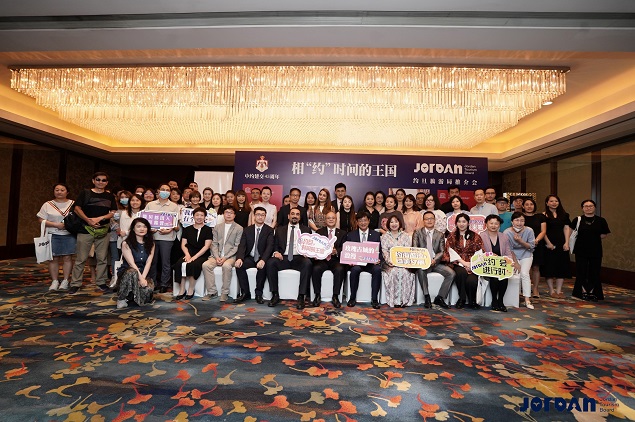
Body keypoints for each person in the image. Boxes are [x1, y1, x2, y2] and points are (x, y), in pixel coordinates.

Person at [68, 172, 118, 294]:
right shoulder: (85, 193)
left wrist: (99, 218)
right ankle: (75, 284)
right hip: (85, 229)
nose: (101, 182)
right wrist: (88, 220)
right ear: (93, 181)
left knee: (102, 259)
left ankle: (101, 282)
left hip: (103, 230)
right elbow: (77, 208)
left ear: (107, 182)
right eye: (98, 179)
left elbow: (113, 212)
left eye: (103, 180)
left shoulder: (109, 196)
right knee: (81, 258)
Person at [266, 208, 312, 308]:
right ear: (288, 216)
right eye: (292, 214)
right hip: (283, 257)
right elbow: (275, 245)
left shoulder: (306, 230)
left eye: (297, 214)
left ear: (300, 217)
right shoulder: (279, 230)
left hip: (299, 257)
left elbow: (310, 246)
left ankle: (301, 296)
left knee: (307, 263)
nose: (295, 216)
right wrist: (276, 252)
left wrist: (307, 252)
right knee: (270, 263)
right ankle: (275, 294)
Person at [37, 183, 76, 291]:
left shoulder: (73, 204)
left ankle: (65, 280)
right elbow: (40, 219)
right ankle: (54, 281)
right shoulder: (47, 204)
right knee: (53, 258)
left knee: (67, 257)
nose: (59, 192)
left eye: (62, 190)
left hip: (69, 234)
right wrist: (55, 225)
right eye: (57, 190)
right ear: (54, 192)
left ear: (67, 192)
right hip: (52, 234)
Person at [413, 211, 455, 309]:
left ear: (435, 220)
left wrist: (434, 260)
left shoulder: (440, 234)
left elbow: (441, 251)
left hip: (435, 263)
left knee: (451, 273)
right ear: (423, 221)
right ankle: (426, 296)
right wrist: (425, 260)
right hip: (422, 262)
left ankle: (440, 297)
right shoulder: (417, 233)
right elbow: (415, 248)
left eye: (431, 218)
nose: (429, 220)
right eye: (427, 219)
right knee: (421, 270)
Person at [570, 199, 610, 301]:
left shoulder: (601, 220)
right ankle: (582, 292)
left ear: (594, 207)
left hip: (596, 250)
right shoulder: (577, 220)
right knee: (581, 271)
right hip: (580, 249)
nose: (588, 208)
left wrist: (592, 237)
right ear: (582, 208)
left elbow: (604, 234)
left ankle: (592, 292)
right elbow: (571, 232)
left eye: (591, 206)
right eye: (586, 206)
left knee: (594, 271)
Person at [234, 206, 274, 304]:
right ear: (254, 216)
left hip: (262, 257)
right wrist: (239, 258)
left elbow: (270, 247)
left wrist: (263, 260)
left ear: (265, 217)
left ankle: (258, 294)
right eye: (258, 215)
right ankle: (245, 293)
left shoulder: (269, 230)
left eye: (262, 215)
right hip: (250, 257)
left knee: (263, 267)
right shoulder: (247, 230)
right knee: (239, 266)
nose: (260, 217)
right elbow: (242, 245)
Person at [202, 206, 243, 302]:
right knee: (206, 265)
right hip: (216, 255)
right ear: (223, 214)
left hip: (230, 256)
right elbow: (214, 244)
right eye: (226, 212)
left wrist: (225, 257)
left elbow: (236, 246)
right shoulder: (217, 227)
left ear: (234, 215)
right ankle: (212, 292)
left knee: (226, 266)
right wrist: (217, 257)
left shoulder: (239, 228)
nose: (228, 214)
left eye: (231, 213)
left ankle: (225, 292)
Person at [144, 183, 180, 293]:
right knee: (152, 262)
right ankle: (153, 283)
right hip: (152, 237)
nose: (165, 191)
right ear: (158, 191)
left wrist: (170, 229)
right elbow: (144, 221)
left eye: (167, 190)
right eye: (163, 189)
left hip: (167, 238)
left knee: (165, 262)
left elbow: (177, 225)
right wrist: (149, 229)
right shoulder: (150, 205)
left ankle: (164, 283)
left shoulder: (174, 206)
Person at [480, 215, 521, 312]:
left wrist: (510, 262)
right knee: (494, 277)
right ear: (486, 224)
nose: (493, 225)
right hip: (487, 264)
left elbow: (508, 252)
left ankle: (501, 301)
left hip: (501, 264)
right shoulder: (481, 236)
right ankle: (494, 300)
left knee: (504, 277)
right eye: (491, 223)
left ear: (499, 225)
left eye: (496, 223)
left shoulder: (504, 237)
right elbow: (479, 252)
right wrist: (490, 255)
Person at [443, 213, 484, 309]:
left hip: (473, 264)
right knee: (461, 273)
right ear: (456, 223)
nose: (461, 224)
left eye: (464, 222)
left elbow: (480, 252)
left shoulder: (475, 236)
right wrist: (463, 263)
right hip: (457, 263)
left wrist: (472, 264)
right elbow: (450, 251)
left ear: (468, 223)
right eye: (459, 222)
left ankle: (472, 301)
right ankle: (462, 299)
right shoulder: (452, 236)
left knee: (472, 281)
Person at [346, 210, 382, 309]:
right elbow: (348, 251)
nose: (363, 223)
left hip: (371, 264)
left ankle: (374, 299)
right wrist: (350, 261)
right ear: (357, 222)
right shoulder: (351, 235)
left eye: (365, 220)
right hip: (357, 264)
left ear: (369, 221)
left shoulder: (375, 235)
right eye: (360, 221)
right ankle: (352, 298)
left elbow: (379, 251)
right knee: (355, 270)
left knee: (377, 269)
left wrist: (378, 259)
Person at [174, 207, 213, 300]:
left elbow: (206, 246)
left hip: (202, 254)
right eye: (197, 215)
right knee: (179, 264)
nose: (199, 217)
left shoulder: (208, 229)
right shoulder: (187, 229)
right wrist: (187, 255)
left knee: (193, 264)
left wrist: (194, 257)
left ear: (205, 217)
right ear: (193, 217)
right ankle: (182, 289)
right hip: (189, 252)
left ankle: (191, 289)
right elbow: (183, 244)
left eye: (201, 215)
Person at [116, 217, 155, 309]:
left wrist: (143, 278)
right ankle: (122, 299)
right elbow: (131, 263)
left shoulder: (151, 243)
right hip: (128, 273)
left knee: (147, 292)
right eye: (138, 226)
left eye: (144, 227)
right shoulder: (126, 243)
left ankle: (134, 296)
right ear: (133, 229)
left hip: (142, 272)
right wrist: (140, 278)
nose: (142, 229)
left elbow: (148, 262)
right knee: (132, 272)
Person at [311, 211, 347, 308]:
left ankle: (335, 296)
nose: (331, 220)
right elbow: (315, 246)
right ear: (325, 220)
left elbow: (344, 247)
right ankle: (317, 295)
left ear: (336, 220)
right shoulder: (319, 232)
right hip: (322, 260)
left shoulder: (342, 233)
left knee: (340, 269)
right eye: (328, 218)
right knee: (315, 269)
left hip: (335, 260)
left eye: (333, 218)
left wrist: (336, 251)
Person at [381, 215, 416, 308]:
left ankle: (404, 300)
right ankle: (394, 301)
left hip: (403, 263)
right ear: (388, 224)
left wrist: (404, 263)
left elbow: (407, 250)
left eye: (396, 221)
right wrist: (390, 262)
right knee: (393, 272)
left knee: (405, 272)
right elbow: (385, 251)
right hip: (390, 263)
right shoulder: (385, 236)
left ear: (400, 223)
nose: (394, 224)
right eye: (391, 222)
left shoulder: (405, 236)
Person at [541, 194, 571, 298]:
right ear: (547, 203)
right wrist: (548, 243)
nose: (554, 203)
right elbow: (543, 231)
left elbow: (566, 228)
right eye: (551, 201)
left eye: (556, 201)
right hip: (548, 243)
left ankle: (559, 291)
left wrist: (566, 242)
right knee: (549, 267)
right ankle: (551, 290)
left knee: (561, 266)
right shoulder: (543, 215)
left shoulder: (564, 215)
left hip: (561, 242)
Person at [504, 212, 535, 309]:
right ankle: (515, 297)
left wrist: (520, 241)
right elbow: (509, 249)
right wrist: (516, 263)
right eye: (517, 220)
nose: (519, 223)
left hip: (526, 254)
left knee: (524, 274)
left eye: (522, 220)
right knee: (515, 274)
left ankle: (527, 299)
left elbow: (531, 247)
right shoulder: (507, 232)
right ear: (512, 222)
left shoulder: (529, 230)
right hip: (513, 256)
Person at [523, 198, 547, 298]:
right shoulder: (520, 217)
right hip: (523, 245)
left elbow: (543, 231)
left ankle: (535, 288)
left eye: (531, 204)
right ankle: (526, 288)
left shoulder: (540, 217)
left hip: (537, 244)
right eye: (527, 204)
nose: (529, 206)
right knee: (526, 268)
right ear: (523, 206)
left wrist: (536, 240)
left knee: (536, 267)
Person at [109, 190, 131, 285]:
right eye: (122, 197)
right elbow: (111, 221)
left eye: (126, 197)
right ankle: (115, 276)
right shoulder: (115, 210)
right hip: (115, 237)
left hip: (128, 237)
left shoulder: (133, 210)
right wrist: (117, 229)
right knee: (115, 257)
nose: (124, 199)